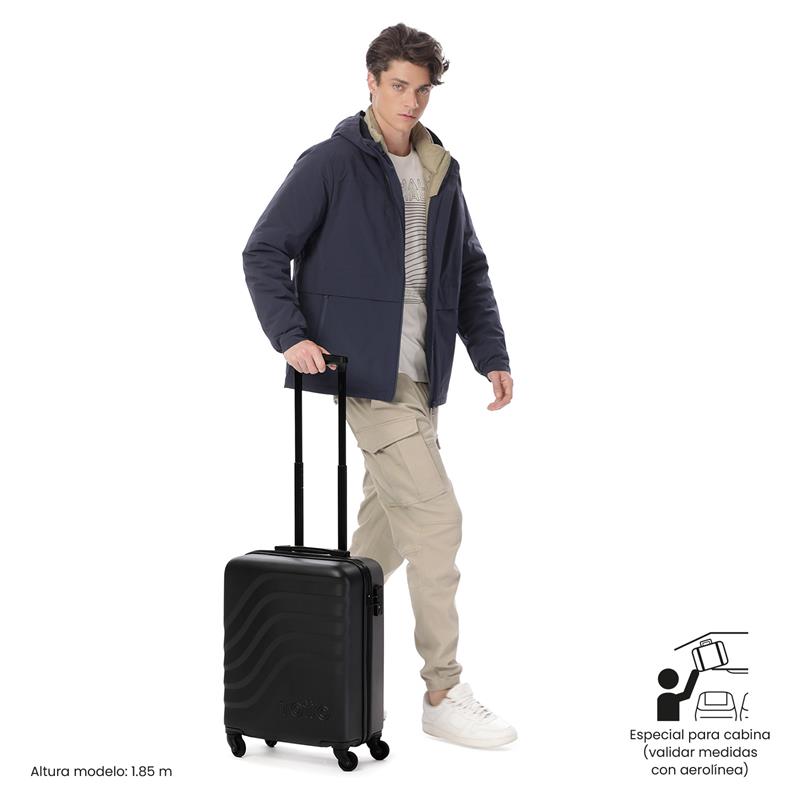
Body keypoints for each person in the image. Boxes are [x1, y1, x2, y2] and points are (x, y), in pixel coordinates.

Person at [242, 22, 515, 748]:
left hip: (422, 377)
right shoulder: (331, 162)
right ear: (371, 82)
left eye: (422, 89)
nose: (411, 102)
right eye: (398, 86)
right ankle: (442, 690)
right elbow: (264, 249)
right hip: (363, 374)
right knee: (438, 521)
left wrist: (490, 352)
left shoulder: (440, 168)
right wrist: (291, 335)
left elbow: (470, 269)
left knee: (379, 542)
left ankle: (308, 651)